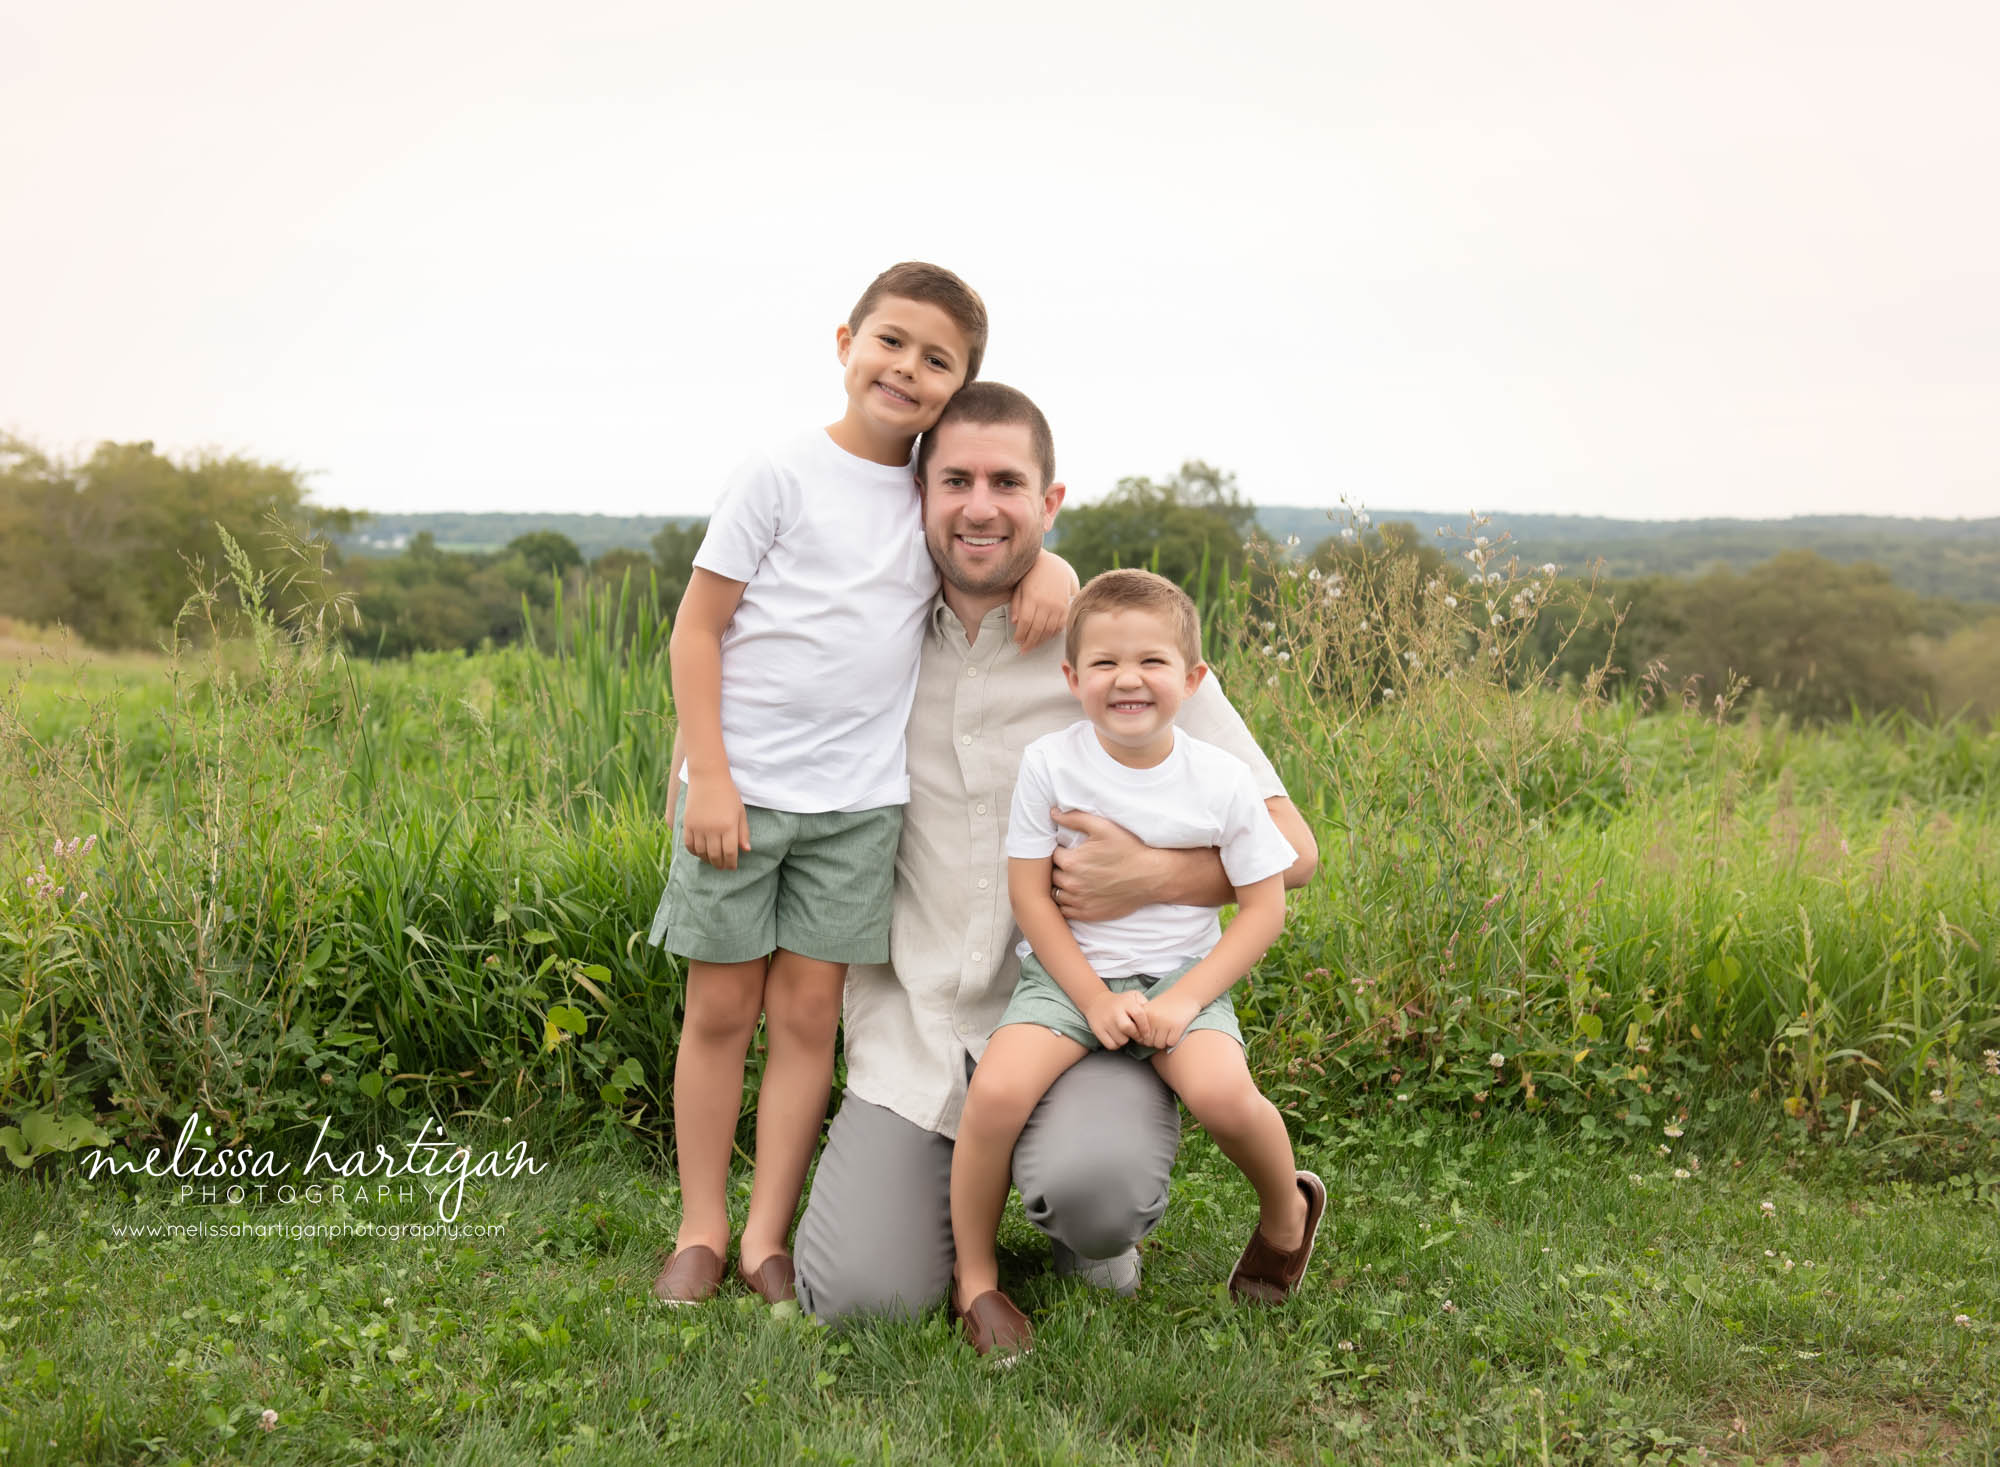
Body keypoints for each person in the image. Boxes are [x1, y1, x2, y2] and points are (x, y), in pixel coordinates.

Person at [789, 383, 1319, 1324]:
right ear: (920, 494)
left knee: (1097, 1194)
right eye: (956, 480)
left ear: (1050, 501)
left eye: (1008, 481)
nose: (981, 506)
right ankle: (950, 1211)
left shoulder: (1121, 649)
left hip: (1096, 1013)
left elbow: (1294, 852)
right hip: (920, 1029)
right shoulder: (873, 637)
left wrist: (1155, 875)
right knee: (863, 1300)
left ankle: (1086, 1220)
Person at [649, 265, 1074, 1307]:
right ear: (844, 341)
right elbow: (696, 629)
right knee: (717, 1012)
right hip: (737, 800)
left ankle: (764, 1237)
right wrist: (708, 773)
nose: (906, 369)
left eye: (938, 360)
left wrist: (1053, 569)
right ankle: (700, 1226)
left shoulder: (929, 498)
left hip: (857, 812)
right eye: (890, 342)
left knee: (804, 1021)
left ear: (960, 384)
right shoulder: (779, 474)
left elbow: (994, 548)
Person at [947, 569, 1323, 1355]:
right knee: (996, 1093)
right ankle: (977, 1282)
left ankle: (1286, 1212)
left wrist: (1184, 1002)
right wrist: (1088, 997)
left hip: (1180, 979)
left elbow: (1265, 908)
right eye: (1105, 663)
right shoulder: (1051, 764)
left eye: (1152, 661)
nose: (1128, 679)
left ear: (1191, 679)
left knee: (1224, 1094)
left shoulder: (1222, 779)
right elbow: (1032, 898)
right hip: (1067, 978)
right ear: (1071, 677)